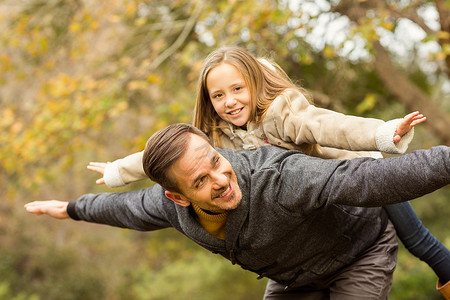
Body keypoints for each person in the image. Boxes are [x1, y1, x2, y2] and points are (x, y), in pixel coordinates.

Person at [87, 46, 449, 296]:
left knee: (414, 236)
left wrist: (383, 133)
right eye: (218, 96)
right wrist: (119, 170)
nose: (229, 102)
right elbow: (161, 157)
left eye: (237, 89)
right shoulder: (214, 137)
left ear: (254, 86)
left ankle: (445, 269)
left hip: (348, 178)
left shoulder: (282, 114)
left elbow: (327, 125)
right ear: (208, 101)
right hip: (307, 220)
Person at [26, 123, 450, 299]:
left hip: (359, 252)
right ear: (177, 198)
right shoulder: (169, 208)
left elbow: (369, 180)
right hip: (292, 280)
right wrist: (73, 208)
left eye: (215, 160)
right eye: (199, 182)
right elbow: (126, 208)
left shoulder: (278, 177)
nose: (221, 179)